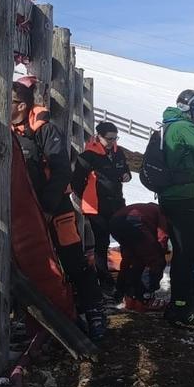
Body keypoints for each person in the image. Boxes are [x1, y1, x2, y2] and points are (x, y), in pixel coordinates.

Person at [11, 81, 105, 340]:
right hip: (24, 211)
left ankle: (94, 312)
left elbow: (62, 170)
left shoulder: (45, 131)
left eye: (7, 102)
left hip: (56, 209)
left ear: (21, 105)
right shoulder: (4, 130)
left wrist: (48, 208)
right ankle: (35, 315)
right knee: (30, 264)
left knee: (73, 260)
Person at [159, 90, 194, 327]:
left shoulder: (169, 124)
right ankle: (184, 310)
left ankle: (177, 305)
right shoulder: (183, 126)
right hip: (183, 198)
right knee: (187, 254)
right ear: (192, 109)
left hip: (170, 197)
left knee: (182, 253)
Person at [71, 121, 131, 296]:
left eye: (115, 138)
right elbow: (76, 181)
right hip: (96, 207)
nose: (112, 141)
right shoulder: (87, 156)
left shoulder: (118, 152)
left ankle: (125, 278)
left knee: (125, 238)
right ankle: (104, 281)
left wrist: (126, 175)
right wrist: (86, 196)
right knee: (102, 243)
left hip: (117, 203)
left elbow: (125, 168)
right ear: (99, 136)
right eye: (109, 138)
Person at [109, 202, 170, 310]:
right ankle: (145, 298)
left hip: (115, 223)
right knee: (155, 261)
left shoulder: (148, 208)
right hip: (135, 224)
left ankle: (122, 291)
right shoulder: (162, 213)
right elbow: (162, 235)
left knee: (130, 259)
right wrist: (163, 251)